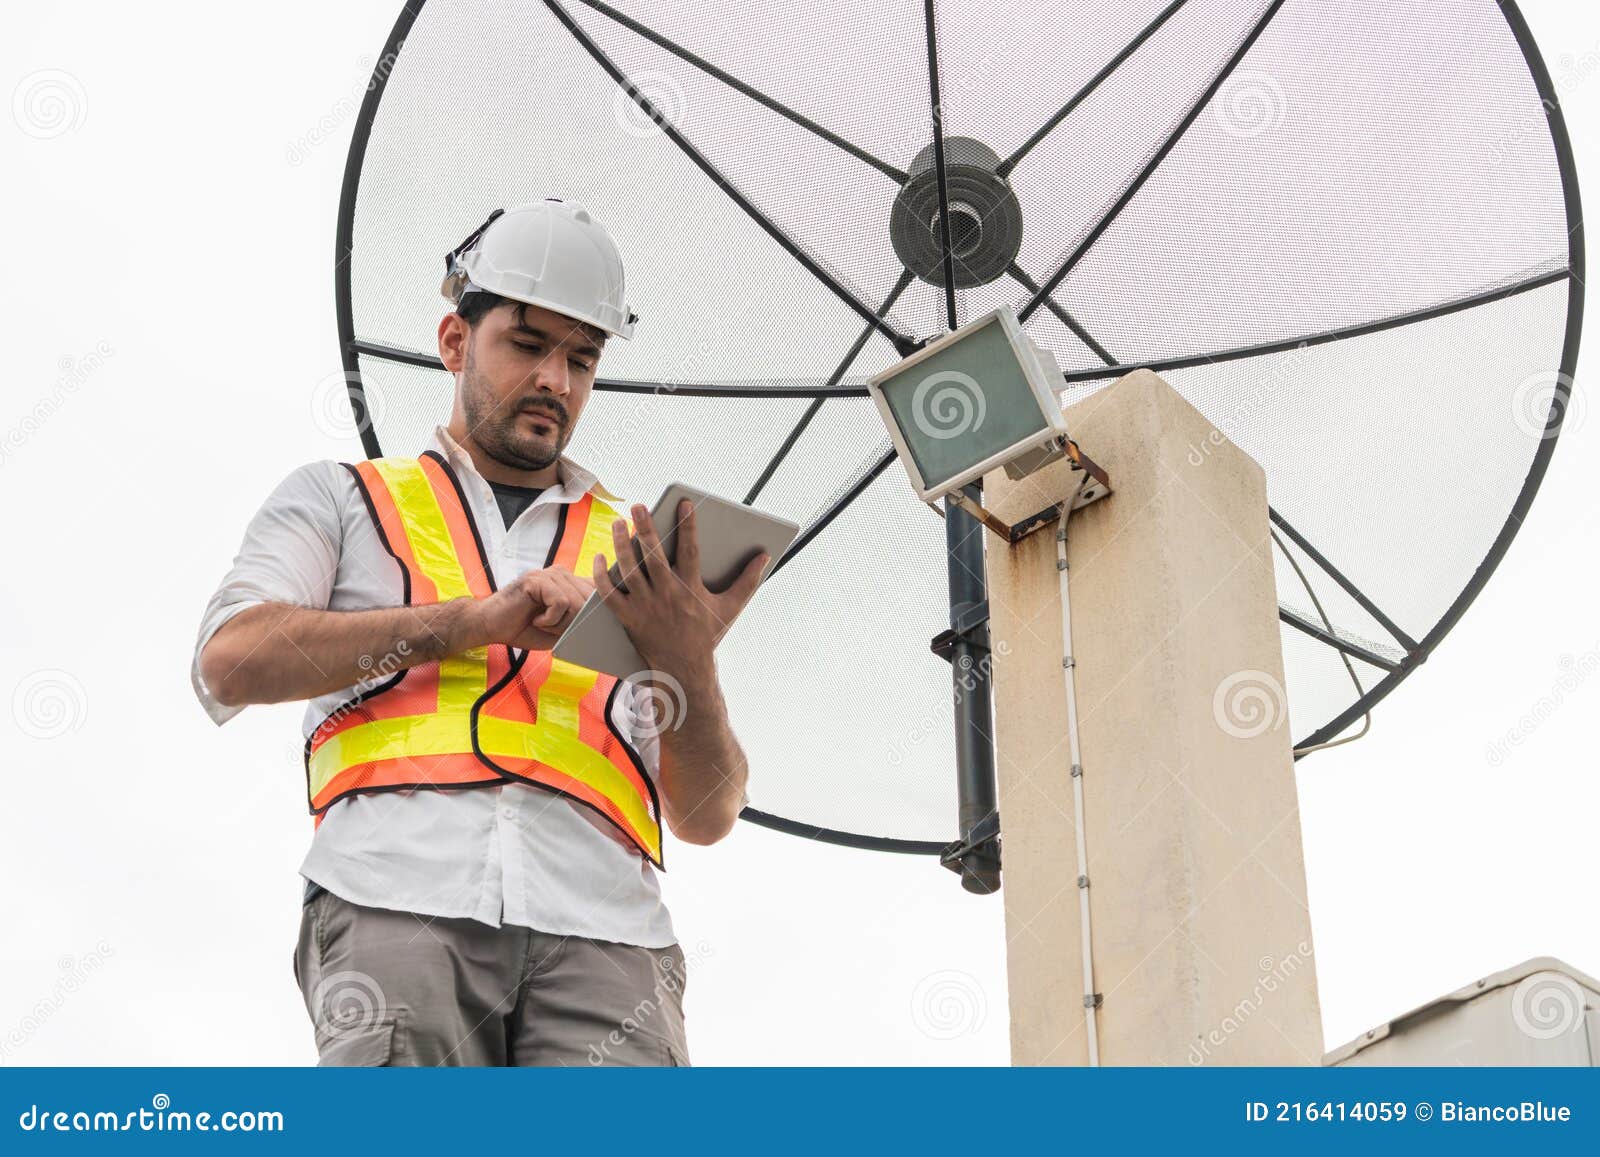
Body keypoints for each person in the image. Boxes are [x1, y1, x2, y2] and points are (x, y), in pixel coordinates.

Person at [191, 200, 766, 1066]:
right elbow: (230, 662)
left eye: (582, 357)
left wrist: (688, 657)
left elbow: (708, 812)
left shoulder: (643, 556)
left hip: (608, 929)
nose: (556, 382)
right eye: (528, 345)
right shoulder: (342, 498)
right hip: (396, 893)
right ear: (456, 343)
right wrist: (474, 621)